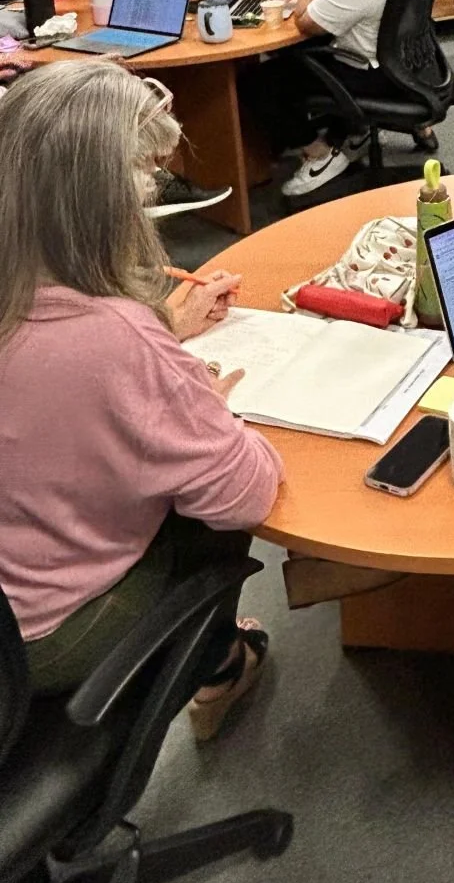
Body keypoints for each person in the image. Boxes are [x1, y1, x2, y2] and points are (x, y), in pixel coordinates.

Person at [0, 60, 281, 739]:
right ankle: (215, 664)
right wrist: (200, 404)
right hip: (49, 636)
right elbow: (249, 492)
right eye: (147, 182)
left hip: (11, 583)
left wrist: (164, 328)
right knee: (212, 509)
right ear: (107, 204)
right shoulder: (114, 339)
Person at [282, 0, 422, 197]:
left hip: (368, 75)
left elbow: (302, 20)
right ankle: (350, 132)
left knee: (270, 75)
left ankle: (319, 148)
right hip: (402, 68)